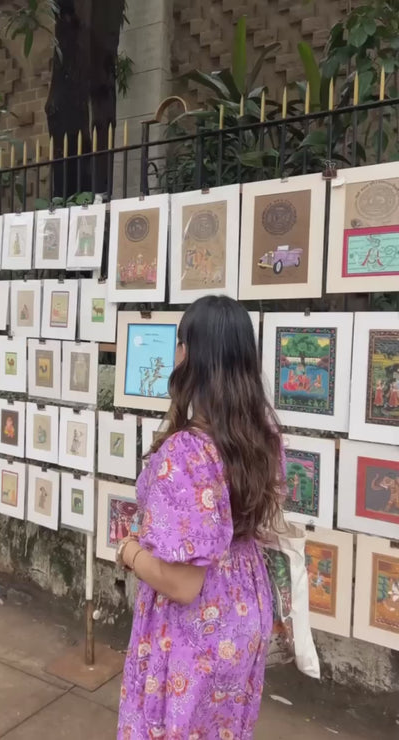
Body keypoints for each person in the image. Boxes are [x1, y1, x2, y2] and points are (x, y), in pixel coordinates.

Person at [117, 295, 283, 740]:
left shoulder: (186, 455)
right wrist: (182, 405)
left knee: (172, 727)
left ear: (190, 354)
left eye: (179, 345)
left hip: (196, 625)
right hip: (243, 609)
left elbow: (182, 582)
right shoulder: (260, 438)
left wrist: (129, 551)